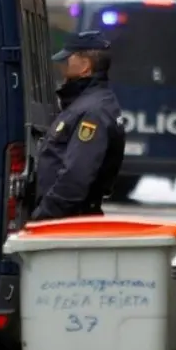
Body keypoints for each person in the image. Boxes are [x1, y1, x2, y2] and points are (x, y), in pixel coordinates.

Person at [32, 31, 126, 220]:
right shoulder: (87, 103)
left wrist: (43, 216)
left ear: (85, 66)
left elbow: (76, 176)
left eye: (68, 60)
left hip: (68, 221)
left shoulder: (93, 112)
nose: (62, 67)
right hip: (70, 217)